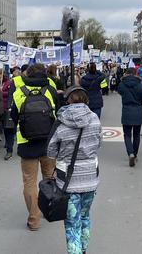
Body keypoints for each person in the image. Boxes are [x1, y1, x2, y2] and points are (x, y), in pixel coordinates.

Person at [47, 86, 102, 254]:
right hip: (91, 178)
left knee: (72, 222)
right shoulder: (95, 119)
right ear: (86, 99)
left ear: (68, 100)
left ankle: (75, 251)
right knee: (85, 217)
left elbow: (50, 151)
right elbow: (99, 143)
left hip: (68, 182)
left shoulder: (62, 124)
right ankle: (83, 249)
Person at [11, 63, 58, 231]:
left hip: (26, 143)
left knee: (29, 182)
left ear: (28, 75)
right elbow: (58, 113)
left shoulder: (19, 92)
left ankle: (33, 220)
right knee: (49, 179)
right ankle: (49, 210)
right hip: (49, 143)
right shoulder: (51, 90)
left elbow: (13, 117)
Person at [117, 67, 142, 166]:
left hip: (126, 111)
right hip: (138, 112)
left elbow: (120, 92)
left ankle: (130, 153)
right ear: (136, 74)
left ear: (126, 73)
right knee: (136, 135)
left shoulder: (122, 84)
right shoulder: (140, 85)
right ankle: (135, 155)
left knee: (127, 135)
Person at [2, 69, 16, 160]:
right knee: (9, 130)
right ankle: (9, 150)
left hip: (22, 111)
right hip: (10, 109)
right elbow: (10, 95)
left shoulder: (26, 84)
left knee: (15, 131)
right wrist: (8, 106)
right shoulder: (12, 83)